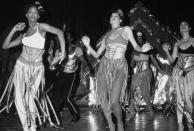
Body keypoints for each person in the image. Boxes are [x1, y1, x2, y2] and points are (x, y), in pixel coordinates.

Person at [81, 9, 152, 131]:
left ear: (120, 20)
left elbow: (135, 46)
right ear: (109, 20)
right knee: (103, 97)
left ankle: (120, 123)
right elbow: (97, 55)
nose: (113, 17)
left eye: (116, 16)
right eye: (111, 16)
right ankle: (111, 125)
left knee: (114, 101)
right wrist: (87, 45)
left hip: (119, 65)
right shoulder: (106, 36)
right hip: (105, 65)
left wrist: (143, 49)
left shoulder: (126, 30)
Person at [0, 3, 65, 131]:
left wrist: (63, 51)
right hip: (21, 67)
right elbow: (5, 46)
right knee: (19, 100)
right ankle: (27, 127)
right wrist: (14, 29)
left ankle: (33, 127)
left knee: (30, 99)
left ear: (38, 16)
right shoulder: (23, 35)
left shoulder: (41, 27)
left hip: (36, 69)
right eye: (30, 12)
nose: (33, 14)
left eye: (36, 12)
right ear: (26, 15)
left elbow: (59, 32)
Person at [51, 26, 89, 123]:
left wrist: (87, 66)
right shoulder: (58, 51)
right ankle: (55, 116)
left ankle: (75, 113)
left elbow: (84, 61)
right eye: (62, 37)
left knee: (66, 98)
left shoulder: (76, 49)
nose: (64, 38)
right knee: (56, 98)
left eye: (66, 36)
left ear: (70, 38)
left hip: (71, 76)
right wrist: (53, 60)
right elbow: (53, 66)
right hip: (61, 75)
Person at [163, 21, 194, 131]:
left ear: (189, 28)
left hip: (190, 75)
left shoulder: (193, 41)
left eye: (185, 24)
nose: (183, 26)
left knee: (189, 100)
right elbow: (172, 60)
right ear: (180, 29)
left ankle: (190, 122)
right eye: (181, 25)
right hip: (179, 74)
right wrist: (166, 51)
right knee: (179, 100)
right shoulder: (177, 44)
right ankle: (180, 123)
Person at [128, 31, 163, 120]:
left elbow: (153, 60)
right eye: (137, 39)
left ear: (142, 39)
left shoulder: (147, 48)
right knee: (131, 91)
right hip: (137, 73)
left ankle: (151, 111)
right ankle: (132, 111)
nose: (139, 40)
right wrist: (131, 60)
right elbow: (132, 65)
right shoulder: (134, 51)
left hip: (146, 72)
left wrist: (159, 69)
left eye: (140, 38)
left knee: (144, 93)